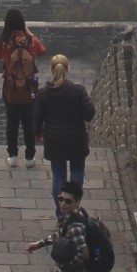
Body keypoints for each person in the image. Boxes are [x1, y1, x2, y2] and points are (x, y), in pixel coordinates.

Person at [35, 55, 95, 203]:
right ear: (67, 69)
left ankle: (61, 211)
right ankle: (73, 206)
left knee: (58, 176)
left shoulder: (43, 94)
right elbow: (89, 114)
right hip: (76, 139)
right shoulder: (78, 90)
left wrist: (37, 133)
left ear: (51, 69)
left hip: (54, 140)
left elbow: (37, 118)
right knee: (77, 171)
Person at [0, 8, 47, 169]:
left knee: (12, 122)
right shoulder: (31, 41)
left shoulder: (4, 42)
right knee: (29, 121)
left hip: (10, 86)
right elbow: (42, 51)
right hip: (30, 87)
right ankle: (30, 157)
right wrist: (29, 33)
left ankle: (13, 156)